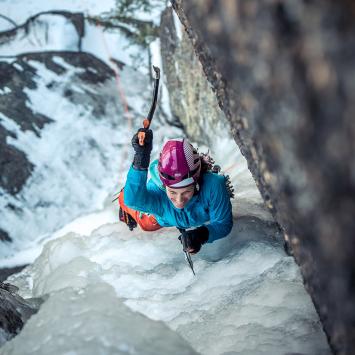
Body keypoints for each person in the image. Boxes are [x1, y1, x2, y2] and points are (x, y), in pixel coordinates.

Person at [118, 128, 233, 254]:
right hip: (164, 217)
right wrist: (141, 158)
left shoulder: (213, 186)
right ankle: (124, 197)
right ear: (163, 185)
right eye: (172, 192)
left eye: (186, 192)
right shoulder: (157, 191)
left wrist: (201, 235)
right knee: (144, 223)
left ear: (196, 182)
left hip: (174, 214)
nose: (179, 201)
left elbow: (223, 223)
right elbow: (132, 200)